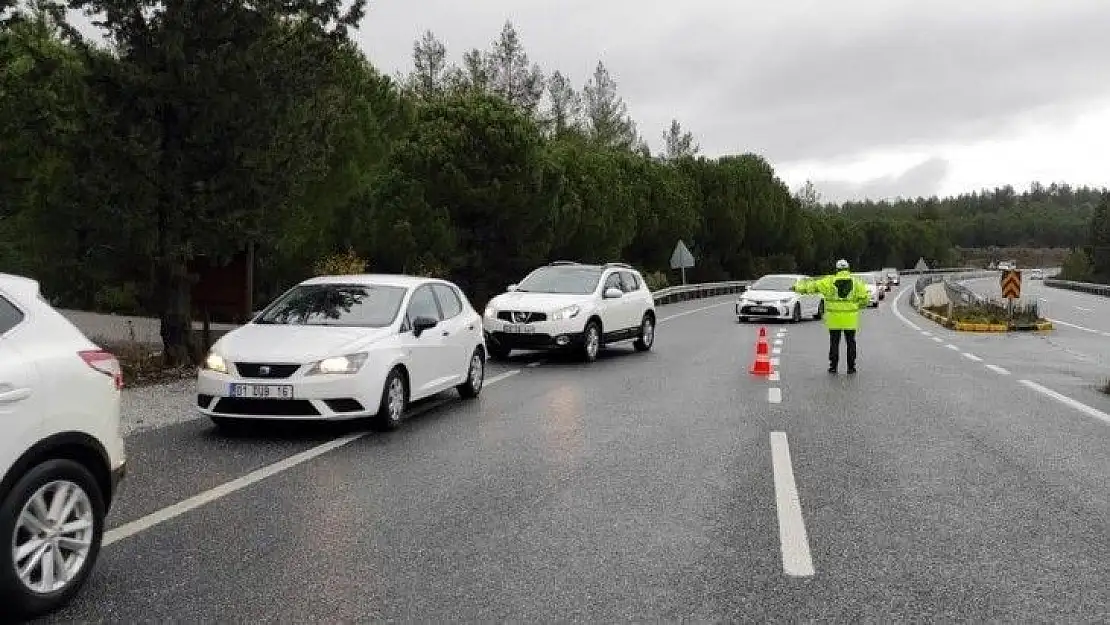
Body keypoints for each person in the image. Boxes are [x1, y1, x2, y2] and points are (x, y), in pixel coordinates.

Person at [793, 259, 872, 373]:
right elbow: (865, 299)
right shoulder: (856, 282)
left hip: (834, 319)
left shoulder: (829, 281)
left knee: (834, 343)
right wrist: (855, 306)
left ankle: (833, 367)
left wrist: (797, 287)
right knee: (851, 343)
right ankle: (851, 367)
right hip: (850, 319)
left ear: (837, 269)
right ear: (848, 269)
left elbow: (813, 287)